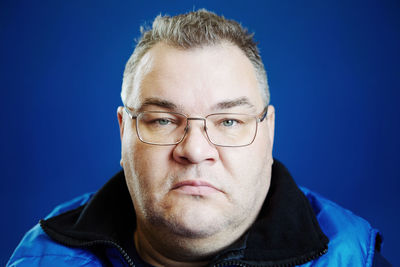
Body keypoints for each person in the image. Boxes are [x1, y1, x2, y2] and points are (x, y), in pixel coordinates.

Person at [7, 9, 391, 267]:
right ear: (124, 132)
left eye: (227, 122)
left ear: (268, 134)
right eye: (162, 121)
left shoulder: (353, 256)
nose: (194, 150)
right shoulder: (39, 256)